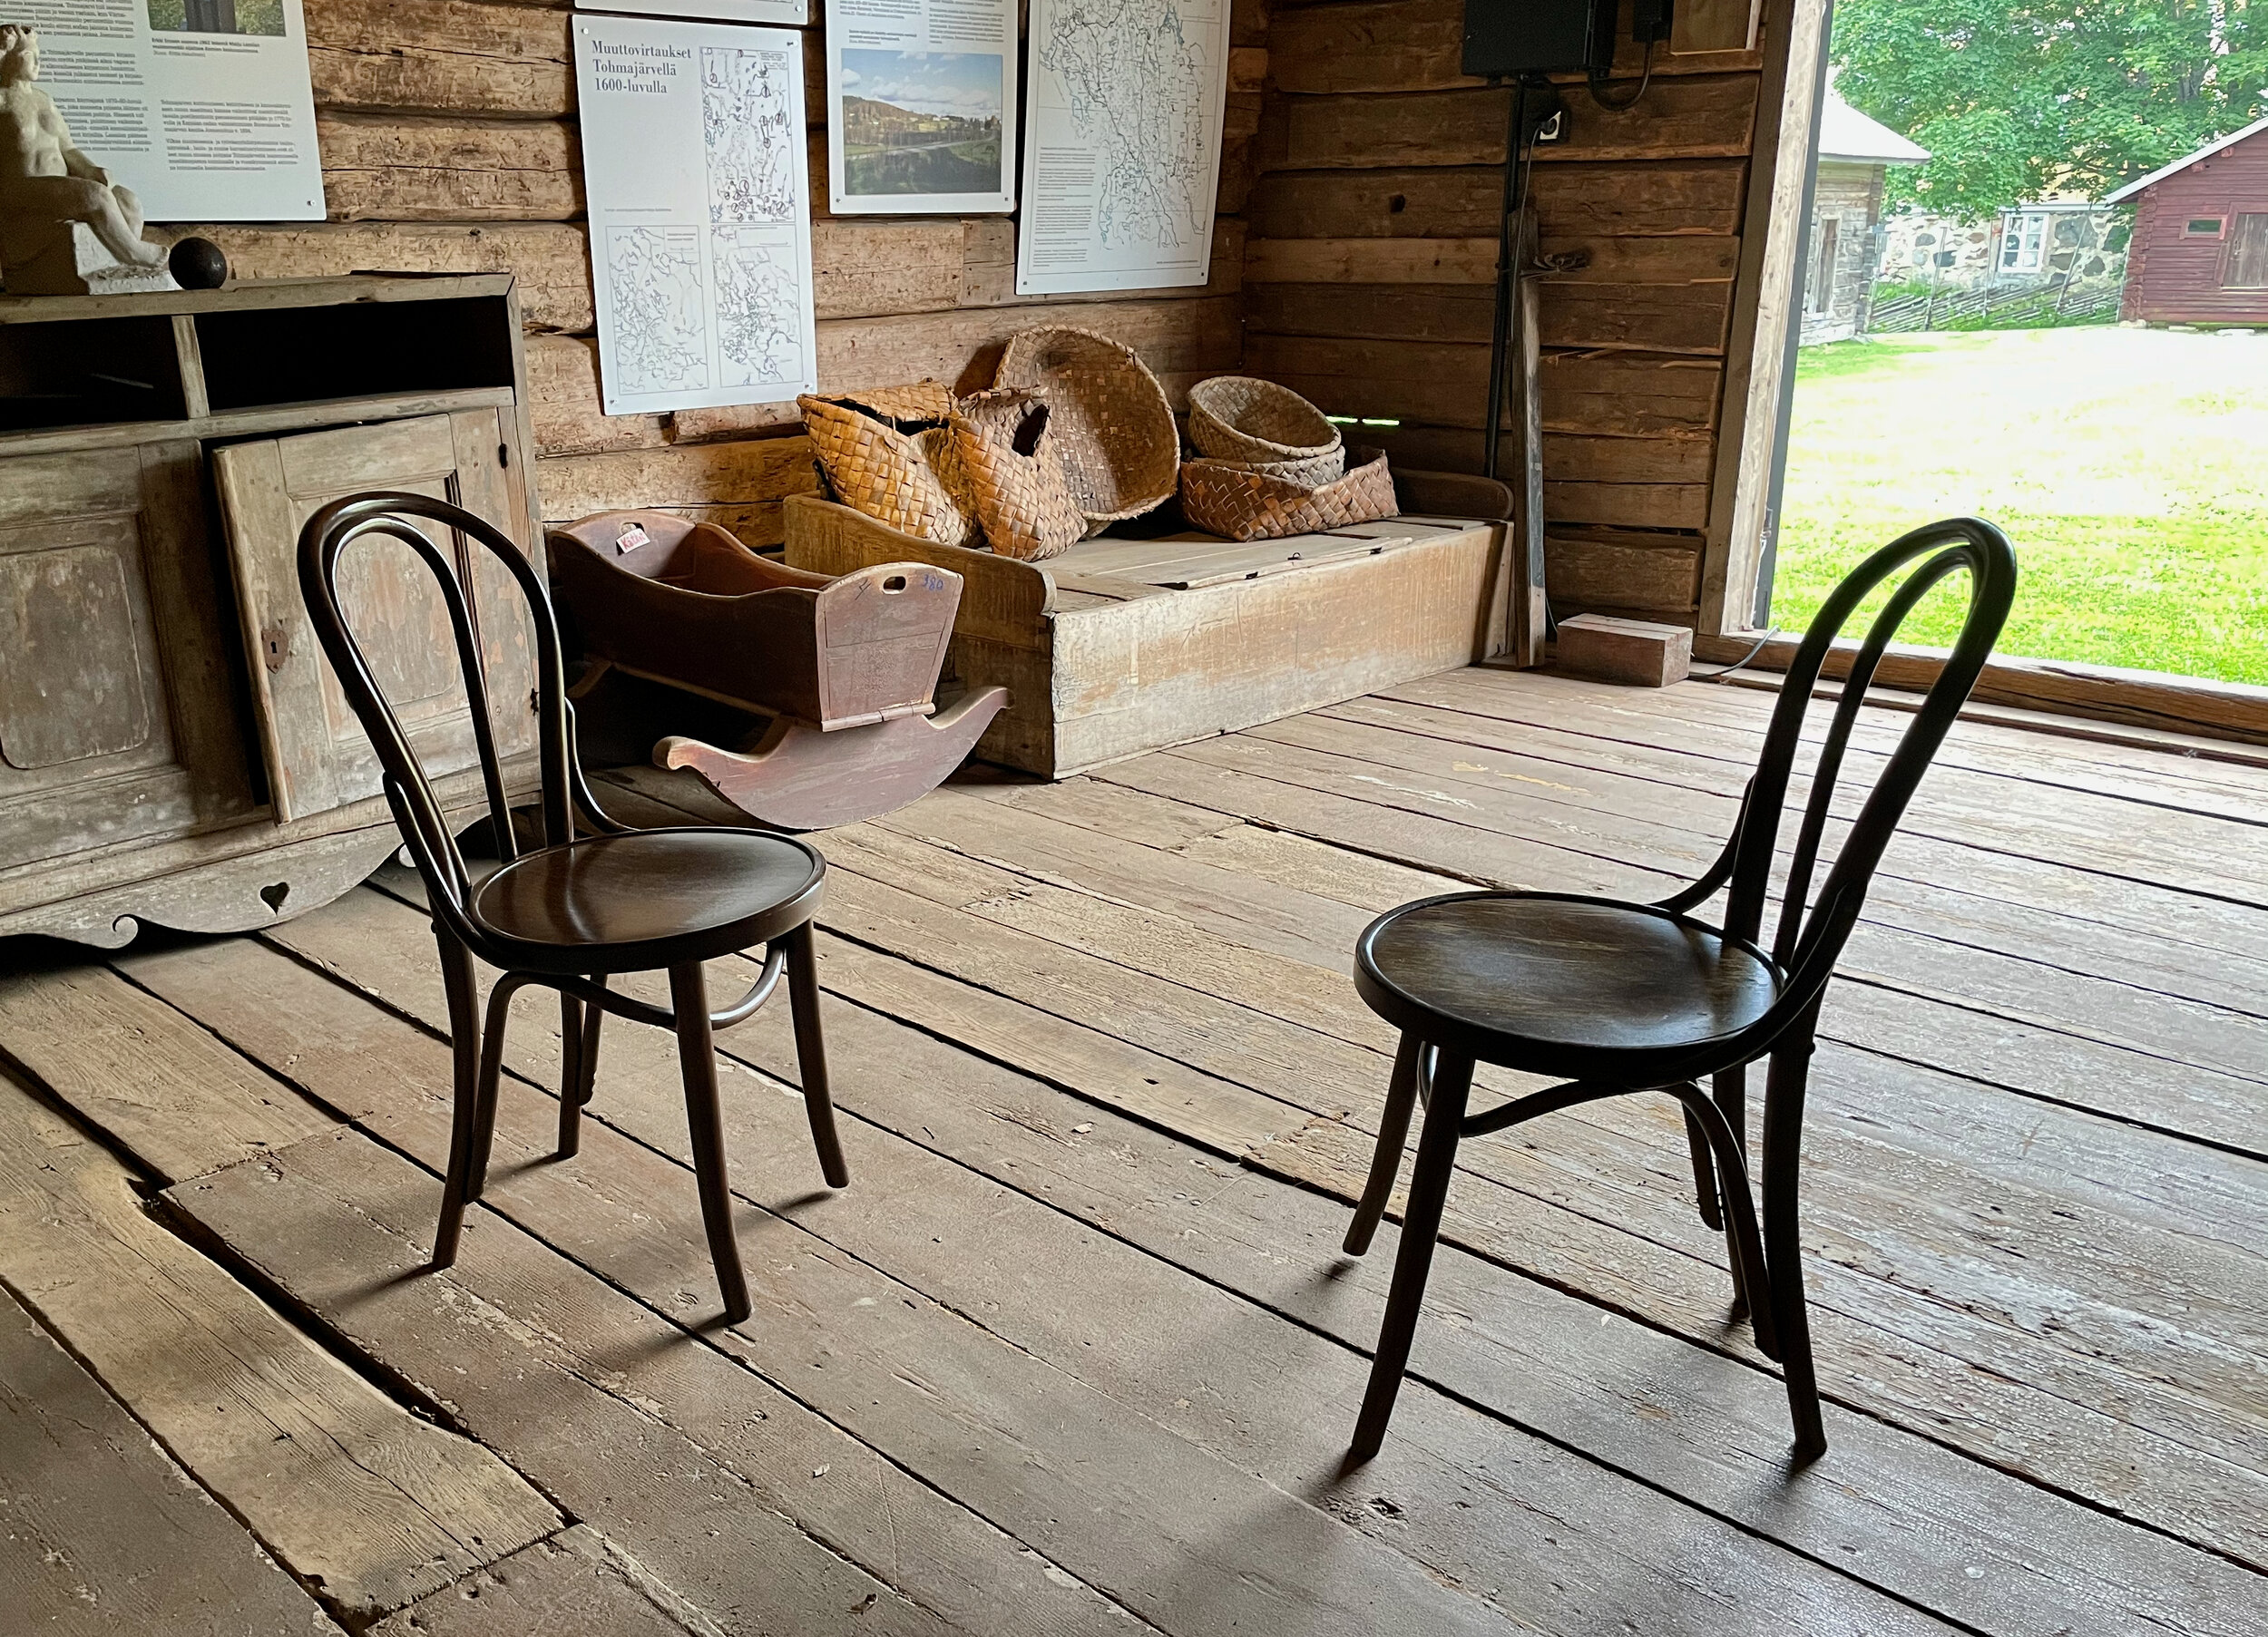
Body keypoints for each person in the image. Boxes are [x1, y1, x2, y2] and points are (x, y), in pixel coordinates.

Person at [0, 24, 166, 276]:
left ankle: (114, 265)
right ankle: (133, 251)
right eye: (28, 56)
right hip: (22, 189)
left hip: (60, 185)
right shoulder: (2, 101)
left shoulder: (43, 99)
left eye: (38, 55)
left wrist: (89, 168)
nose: (37, 63)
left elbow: (67, 148)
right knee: (94, 196)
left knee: (128, 201)